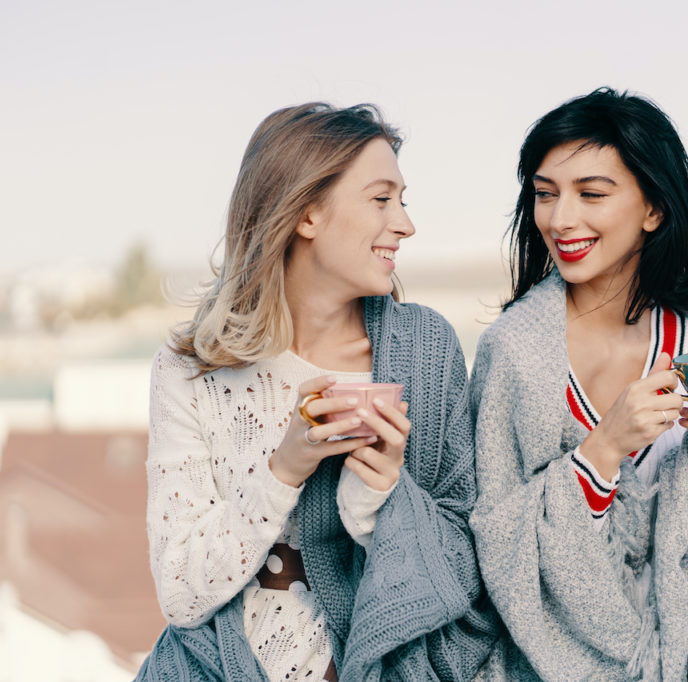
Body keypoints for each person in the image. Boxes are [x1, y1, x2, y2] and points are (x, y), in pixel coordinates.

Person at [136, 102, 497, 681]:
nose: (405, 224)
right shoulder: (190, 372)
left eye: (403, 200)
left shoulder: (426, 350)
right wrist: (284, 468)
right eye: (382, 199)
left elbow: (467, 562)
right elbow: (180, 593)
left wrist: (383, 493)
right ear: (306, 213)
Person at [468, 88, 688, 681]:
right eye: (545, 195)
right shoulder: (513, 354)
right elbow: (494, 537)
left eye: (591, 194)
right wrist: (601, 451)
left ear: (653, 209)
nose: (561, 218)